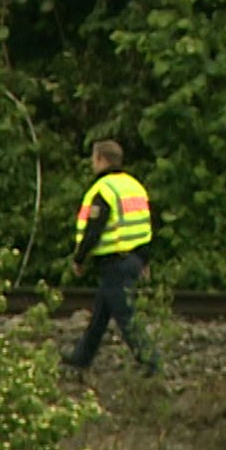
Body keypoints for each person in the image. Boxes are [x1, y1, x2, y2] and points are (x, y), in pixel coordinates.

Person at [62, 139, 161, 375]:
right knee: (101, 314)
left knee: (124, 315)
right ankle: (81, 358)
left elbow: (94, 228)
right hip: (133, 258)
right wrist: (145, 260)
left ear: (100, 160)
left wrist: (79, 258)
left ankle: (150, 361)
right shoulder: (134, 186)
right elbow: (144, 227)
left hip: (114, 261)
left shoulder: (103, 190)